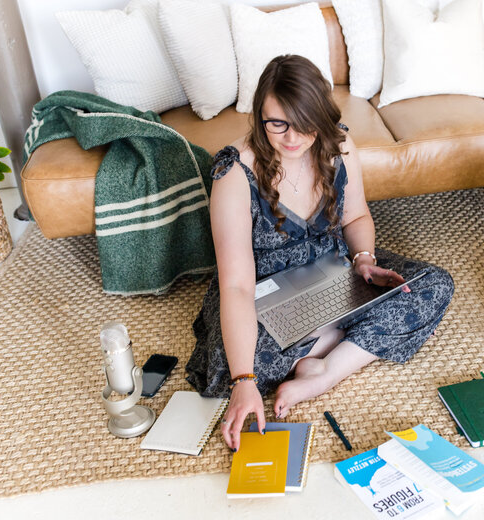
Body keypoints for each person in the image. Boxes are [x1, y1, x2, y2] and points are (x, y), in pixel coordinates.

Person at [186, 55, 454, 451]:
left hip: (337, 268)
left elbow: (357, 216)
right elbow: (238, 287)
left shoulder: (339, 145)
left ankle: (325, 369)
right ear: (260, 115)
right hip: (264, 292)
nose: (292, 138)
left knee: (431, 285)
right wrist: (244, 382)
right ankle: (342, 339)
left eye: (305, 124)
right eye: (278, 123)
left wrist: (364, 259)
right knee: (230, 369)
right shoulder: (234, 173)